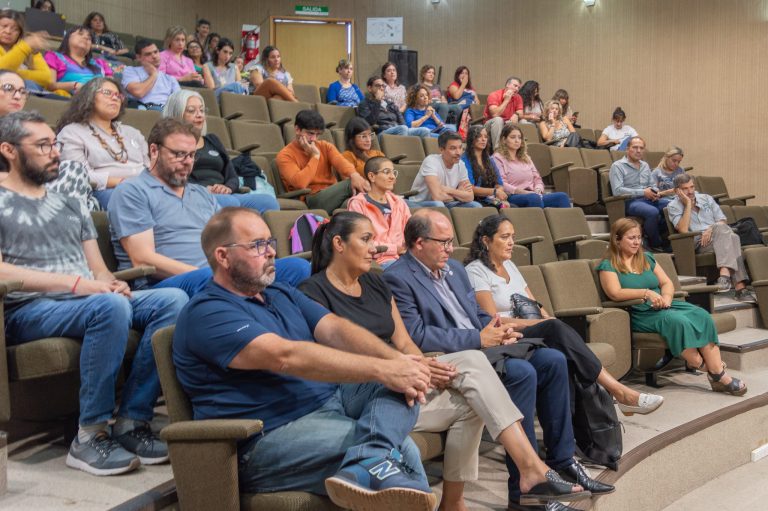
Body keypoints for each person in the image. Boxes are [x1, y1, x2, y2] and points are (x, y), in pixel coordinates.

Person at [299, 211, 590, 510]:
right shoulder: (312, 292)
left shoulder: (376, 284)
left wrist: (421, 365)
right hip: (357, 387)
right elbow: (331, 352)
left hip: (400, 380)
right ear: (339, 243)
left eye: (375, 238)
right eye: (367, 239)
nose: (378, 247)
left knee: (474, 403)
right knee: (476, 363)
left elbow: (404, 342)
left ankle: (454, 502)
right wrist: (412, 364)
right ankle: (531, 469)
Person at [173, 207, 437, 511]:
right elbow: (285, 356)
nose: (271, 251)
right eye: (257, 245)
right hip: (267, 434)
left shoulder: (281, 293)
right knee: (402, 452)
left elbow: (336, 329)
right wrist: (383, 369)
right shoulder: (207, 312)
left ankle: (370, 454)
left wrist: (398, 362)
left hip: (329, 404)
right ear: (223, 256)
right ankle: (373, 455)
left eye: (269, 242)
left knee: (405, 386)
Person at [383, 210, 614, 511]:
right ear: (418, 242)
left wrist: (496, 329)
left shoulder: (453, 268)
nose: (450, 249)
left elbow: (474, 314)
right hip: (453, 357)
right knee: (521, 372)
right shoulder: (396, 276)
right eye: (443, 242)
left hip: (484, 346)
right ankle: (525, 494)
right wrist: (479, 339)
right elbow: (418, 335)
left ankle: (562, 461)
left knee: (553, 361)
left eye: (451, 241)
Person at [0, 110, 188, 476]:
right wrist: (80, 286)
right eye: (42, 146)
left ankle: (132, 420)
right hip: (30, 309)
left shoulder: (70, 201)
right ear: (8, 149)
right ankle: (89, 434)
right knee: (109, 306)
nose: (54, 152)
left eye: (54, 144)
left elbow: (96, 267)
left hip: (86, 299)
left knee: (173, 301)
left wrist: (109, 280)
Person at [465, 214, 663, 415]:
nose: (512, 243)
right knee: (556, 330)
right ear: (486, 240)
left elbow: (534, 302)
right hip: (508, 335)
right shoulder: (475, 271)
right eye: (505, 237)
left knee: (560, 342)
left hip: (531, 328)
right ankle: (619, 391)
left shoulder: (510, 265)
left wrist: (548, 318)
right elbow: (492, 320)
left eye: (513, 237)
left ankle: (584, 426)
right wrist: (540, 324)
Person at [108, 118, 308, 297]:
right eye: (179, 154)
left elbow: (228, 242)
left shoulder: (201, 193)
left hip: (217, 275)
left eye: (192, 155)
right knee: (208, 278)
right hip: (166, 284)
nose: (187, 162)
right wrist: (219, 276)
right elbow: (143, 259)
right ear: (154, 150)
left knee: (297, 267)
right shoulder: (132, 191)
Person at [597, 218, 747, 396]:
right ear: (617, 239)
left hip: (664, 305)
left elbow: (667, 282)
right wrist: (645, 293)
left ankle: (716, 374)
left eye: (639, 237)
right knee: (678, 321)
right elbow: (615, 293)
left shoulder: (646, 258)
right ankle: (718, 374)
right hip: (639, 312)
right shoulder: (608, 265)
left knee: (702, 315)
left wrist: (667, 298)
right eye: (631, 238)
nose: (637, 242)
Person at [161, 89, 278, 213]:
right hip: (195, 195)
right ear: (177, 114)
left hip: (226, 194)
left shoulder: (212, 140)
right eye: (191, 111)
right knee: (230, 202)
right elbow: (175, 179)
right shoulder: (171, 146)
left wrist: (227, 187)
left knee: (269, 202)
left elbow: (231, 173)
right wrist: (205, 189)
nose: (199, 115)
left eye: (201, 110)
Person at [56, 77, 148, 209]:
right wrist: (122, 182)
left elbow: (150, 168)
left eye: (118, 95)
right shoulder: (72, 132)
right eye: (107, 93)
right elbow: (77, 175)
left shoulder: (133, 132)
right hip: (107, 191)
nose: (115, 98)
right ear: (89, 96)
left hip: (145, 188)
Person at [667, 173, 755, 300]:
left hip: (717, 236)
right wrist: (687, 205)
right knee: (732, 238)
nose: (691, 191)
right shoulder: (673, 206)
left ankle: (725, 278)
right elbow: (683, 230)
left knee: (730, 236)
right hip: (696, 240)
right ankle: (739, 288)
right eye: (685, 189)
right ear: (677, 191)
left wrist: (711, 228)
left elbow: (722, 220)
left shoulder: (706, 198)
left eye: (692, 187)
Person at [276, 109, 366, 214]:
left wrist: (354, 174)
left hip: (334, 195)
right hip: (311, 198)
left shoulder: (325, 146)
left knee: (359, 203)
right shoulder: (285, 155)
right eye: (310, 133)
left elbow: (342, 163)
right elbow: (300, 183)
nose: (314, 139)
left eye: (317, 134)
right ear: (297, 130)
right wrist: (315, 156)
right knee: (350, 184)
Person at [347, 157, 411, 268]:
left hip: (405, 257)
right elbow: (361, 241)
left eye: (393, 172)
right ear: (372, 176)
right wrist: (395, 249)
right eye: (386, 172)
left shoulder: (399, 202)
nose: (392, 177)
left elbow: (412, 231)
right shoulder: (358, 204)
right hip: (377, 262)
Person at [608, 136, 670, 249]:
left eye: (641, 148)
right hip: (629, 201)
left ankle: (662, 238)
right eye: (635, 147)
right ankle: (656, 245)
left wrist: (654, 192)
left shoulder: (645, 165)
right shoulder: (617, 166)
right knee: (652, 212)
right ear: (627, 149)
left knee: (672, 205)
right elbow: (617, 191)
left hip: (648, 198)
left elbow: (651, 184)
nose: (638, 151)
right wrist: (643, 192)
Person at [493, 124, 570, 208]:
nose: (517, 140)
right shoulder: (498, 158)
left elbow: (537, 179)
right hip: (512, 195)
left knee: (562, 197)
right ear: (504, 140)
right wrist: (524, 192)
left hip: (533, 194)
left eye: (519, 137)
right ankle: (539, 220)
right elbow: (501, 184)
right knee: (534, 198)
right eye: (513, 137)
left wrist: (538, 189)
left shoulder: (526, 158)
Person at [410, 131, 482, 209]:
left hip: (446, 202)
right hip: (420, 203)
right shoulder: (431, 161)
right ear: (441, 150)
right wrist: (459, 193)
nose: (458, 152)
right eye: (453, 148)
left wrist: (449, 190)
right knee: (439, 205)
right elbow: (437, 197)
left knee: (476, 206)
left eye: (460, 147)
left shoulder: (461, 164)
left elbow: (470, 196)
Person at [44, 25, 112, 95]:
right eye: (80, 34)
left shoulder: (101, 64)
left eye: (89, 38)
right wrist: (74, 85)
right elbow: (50, 85)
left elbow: (112, 87)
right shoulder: (54, 57)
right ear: (68, 38)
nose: (86, 38)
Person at [357, 76, 430, 138]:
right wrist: (377, 101)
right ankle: (403, 153)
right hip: (381, 133)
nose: (381, 88)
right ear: (369, 88)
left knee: (424, 130)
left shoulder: (390, 103)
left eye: (383, 86)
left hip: (398, 129)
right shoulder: (364, 103)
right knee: (402, 129)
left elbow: (402, 123)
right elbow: (369, 122)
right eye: (378, 86)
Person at [0, 9, 52, 91]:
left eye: (15, 29)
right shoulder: (25, 46)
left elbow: (46, 78)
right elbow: (1, 71)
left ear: (20, 33)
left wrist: (15, 73)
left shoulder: (29, 48)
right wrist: (24, 47)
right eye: (4, 26)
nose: (8, 31)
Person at [122, 39, 181, 111]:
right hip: (144, 110)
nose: (154, 56)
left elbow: (180, 102)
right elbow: (139, 92)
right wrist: (153, 74)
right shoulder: (130, 71)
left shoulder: (170, 79)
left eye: (156, 52)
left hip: (167, 112)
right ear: (138, 57)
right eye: (148, 54)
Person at [461, 125, 510, 209]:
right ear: (471, 139)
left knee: (511, 206)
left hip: (489, 198)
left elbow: (499, 183)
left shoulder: (489, 159)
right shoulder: (464, 160)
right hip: (473, 200)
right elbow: (470, 188)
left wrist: (498, 193)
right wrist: (494, 192)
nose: (483, 139)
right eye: (479, 136)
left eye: (486, 137)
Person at [484, 76, 523, 148]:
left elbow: (521, 113)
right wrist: (507, 100)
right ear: (507, 85)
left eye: (518, 87)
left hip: (507, 123)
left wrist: (516, 114)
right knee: (498, 120)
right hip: (491, 124)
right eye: (515, 86)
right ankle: (497, 151)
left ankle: (521, 151)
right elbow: (495, 114)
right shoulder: (494, 95)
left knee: (523, 121)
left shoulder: (518, 97)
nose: (517, 89)